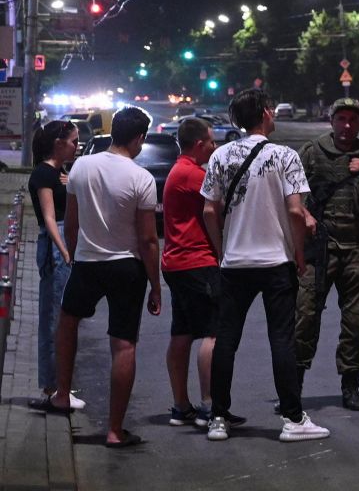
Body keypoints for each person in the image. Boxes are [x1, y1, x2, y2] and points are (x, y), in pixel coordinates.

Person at [200, 89, 328, 442]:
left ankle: (218, 418)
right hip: (275, 263)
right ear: (266, 114)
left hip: (235, 262)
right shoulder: (285, 156)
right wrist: (299, 253)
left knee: (226, 340)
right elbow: (294, 210)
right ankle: (292, 420)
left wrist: (221, 248)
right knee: (281, 340)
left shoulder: (221, 156)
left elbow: (210, 210)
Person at [49, 107, 161, 450]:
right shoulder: (141, 178)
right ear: (139, 138)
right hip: (126, 267)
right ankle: (114, 430)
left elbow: (72, 221)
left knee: (68, 322)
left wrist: (73, 253)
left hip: (87, 262)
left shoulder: (82, 166)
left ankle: (63, 395)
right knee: (124, 343)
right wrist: (155, 286)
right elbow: (148, 240)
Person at [295, 97, 359, 411]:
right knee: (305, 316)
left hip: (356, 251)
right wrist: (305, 219)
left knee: (355, 320)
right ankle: (293, 385)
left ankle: (350, 384)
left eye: (353, 119)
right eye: (341, 119)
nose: (347, 125)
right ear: (332, 121)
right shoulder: (312, 153)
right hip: (318, 250)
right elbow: (289, 194)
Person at [161, 117, 222, 427]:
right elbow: (220, 204)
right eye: (211, 142)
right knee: (213, 333)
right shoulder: (193, 174)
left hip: (176, 262)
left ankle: (180, 405)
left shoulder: (178, 171)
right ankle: (209, 406)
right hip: (197, 262)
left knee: (182, 333)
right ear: (199, 144)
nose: (214, 146)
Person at [27, 120, 85, 411]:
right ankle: (53, 387)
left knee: (62, 316)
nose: (77, 146)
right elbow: (50, 218)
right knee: (53, 317)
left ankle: (59, 384)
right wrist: (64, 251)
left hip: (63, 241)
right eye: (74, 141)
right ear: (58, 142)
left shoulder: (60, 173)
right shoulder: (43, 174)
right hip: (55, 243)